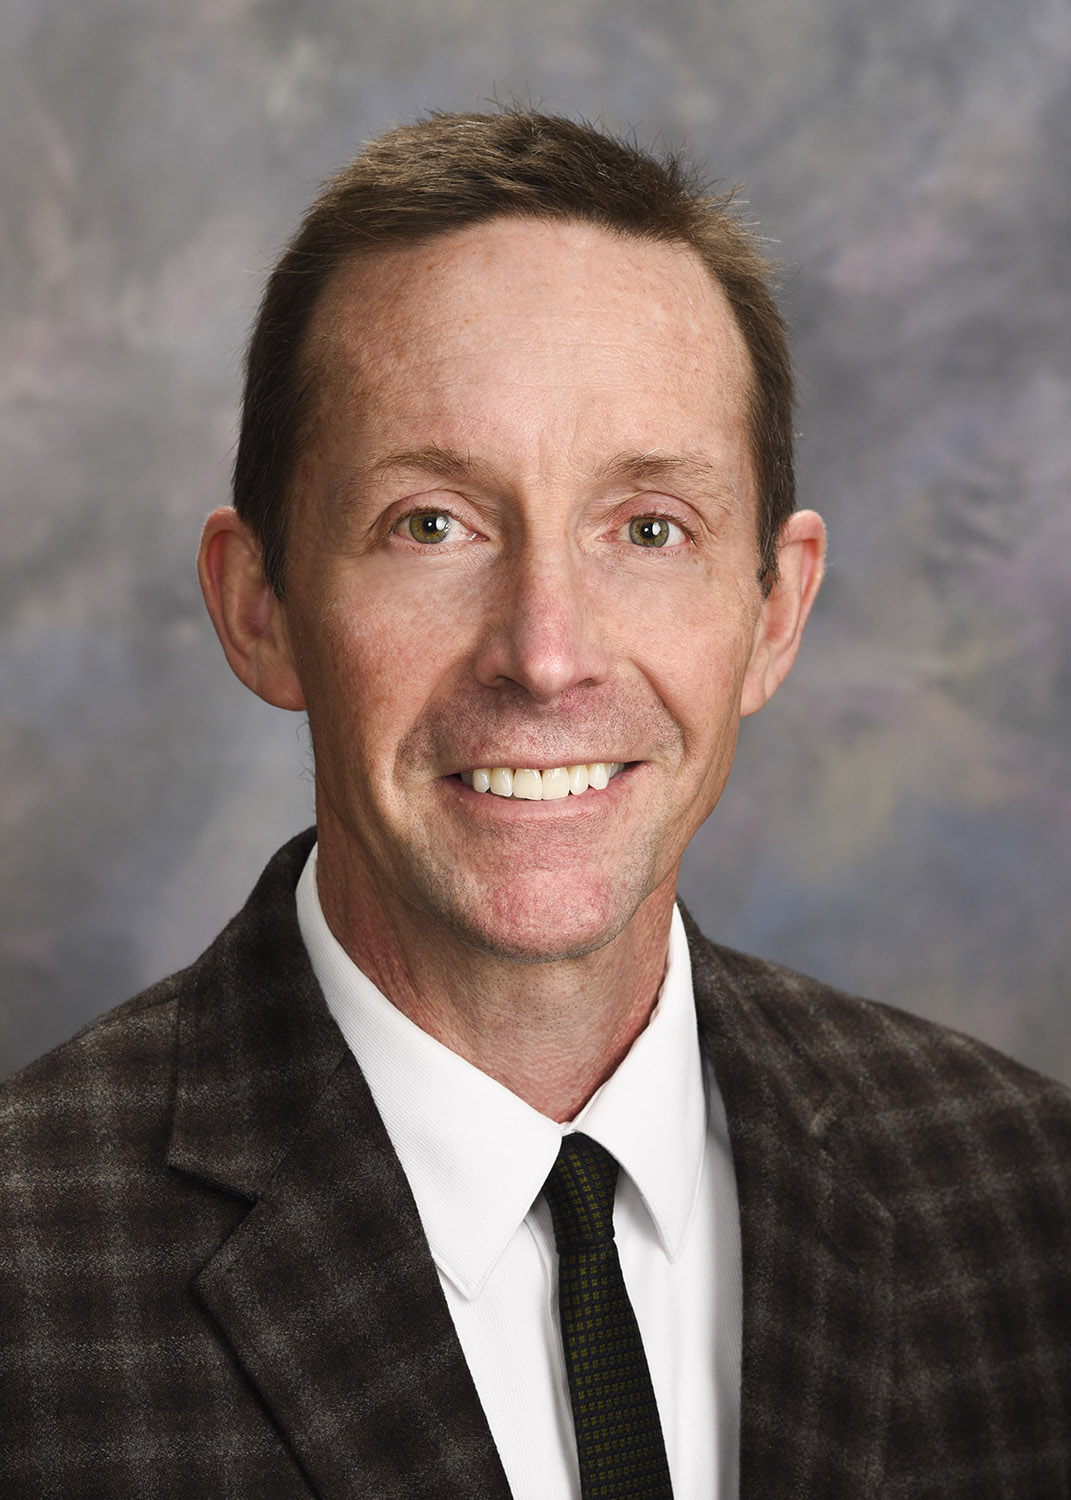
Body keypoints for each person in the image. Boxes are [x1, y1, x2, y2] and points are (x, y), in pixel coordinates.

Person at [1, 110, 1067, 1500]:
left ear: (775, 613)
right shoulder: (31, 1275)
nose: (546, 653)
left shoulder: (1028, 1201)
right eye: (432, 524)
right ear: (259, 606)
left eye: (650, 529)